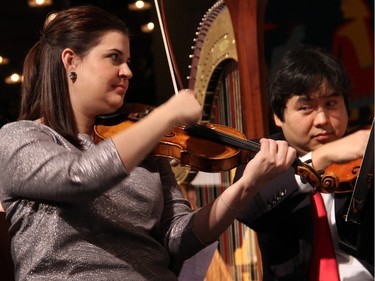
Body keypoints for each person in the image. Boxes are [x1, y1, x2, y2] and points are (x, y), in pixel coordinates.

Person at [0, 5, 297, 281]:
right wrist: (165, 115)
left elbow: (178, 237)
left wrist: (247, 185)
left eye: (128, 61)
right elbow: (78, 177)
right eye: (114, 57)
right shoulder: (20, 137)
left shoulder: (144, 148)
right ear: (70, 61)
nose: (128, 72)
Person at [234, 45, 373, 280]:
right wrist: (321, 157)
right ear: (278, 116)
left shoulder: (364, 153)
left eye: (331, 104)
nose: (322, 120)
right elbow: (247, 209)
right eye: (306, 107)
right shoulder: (261, 155)